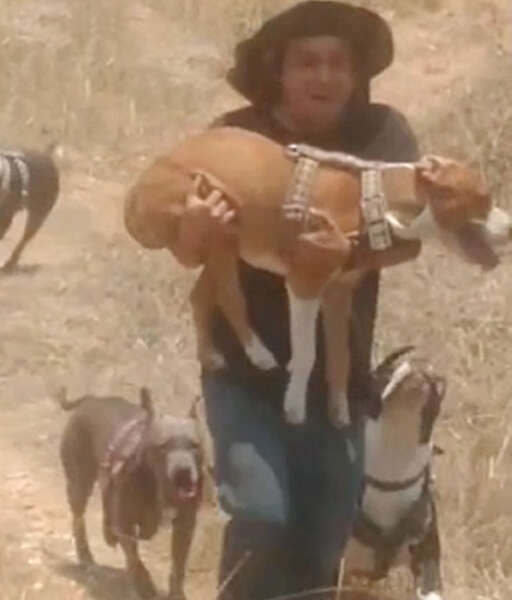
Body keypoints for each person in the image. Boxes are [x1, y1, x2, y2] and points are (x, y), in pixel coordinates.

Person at [174, 2, 422, 598]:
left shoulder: (382, 134)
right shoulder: (235, 137)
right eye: (307, 62)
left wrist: (351, 249)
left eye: (340, 63)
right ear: (277, 71)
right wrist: (195, 224)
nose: (325, 77)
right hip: (244, 369)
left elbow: (409, 237)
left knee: (325, 541)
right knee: (260, 517)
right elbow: (187, 253)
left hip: (337, 381)